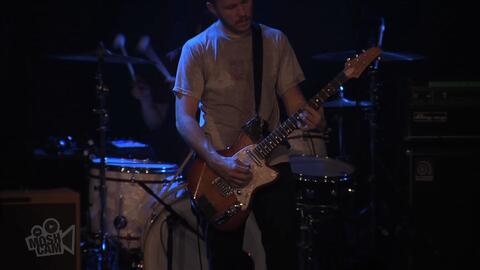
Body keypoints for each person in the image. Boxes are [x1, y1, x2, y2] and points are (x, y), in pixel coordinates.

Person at [173, 0, 326, 269]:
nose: (242, 12)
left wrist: (314, 118)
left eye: (245, 2)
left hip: (272, 161)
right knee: (224, 259)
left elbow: (295, 105)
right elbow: (183, 118)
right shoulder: (197, 48)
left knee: (284, 251)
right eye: (231, 6)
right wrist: (218, 161)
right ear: (212, 8)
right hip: (221, 169)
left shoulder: (273, 40)